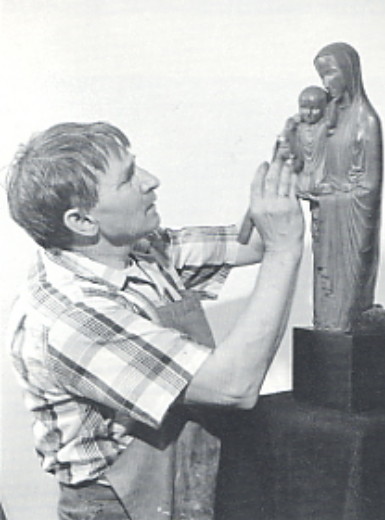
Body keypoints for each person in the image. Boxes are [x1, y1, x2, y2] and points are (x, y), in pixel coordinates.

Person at [6, 121, 304, 520]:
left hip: (182, 480)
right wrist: (286, 249)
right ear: (82, 222)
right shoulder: (70, 317)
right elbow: (234, 386)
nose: (152, 181)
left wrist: (282, 184)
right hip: (119, 507)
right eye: (128, 179)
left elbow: (250, 242)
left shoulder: (138, 248)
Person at [311, 42, 383, 332]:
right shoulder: (329, 117)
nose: (326, 84)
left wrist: (330, 196)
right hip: (327, 223)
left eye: (330, 74)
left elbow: (369, 188)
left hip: (351, 225)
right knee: (325, 307)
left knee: (345, 314)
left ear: (349, 72)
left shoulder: (366, 120)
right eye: (321, 77)